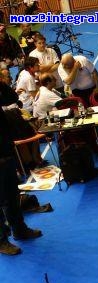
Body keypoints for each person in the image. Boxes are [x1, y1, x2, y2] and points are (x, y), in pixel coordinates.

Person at [0, 83, 42, 256]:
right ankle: (2, 241)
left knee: (12, 195)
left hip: (6, 152)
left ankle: (19, 229)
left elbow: (12, 97)